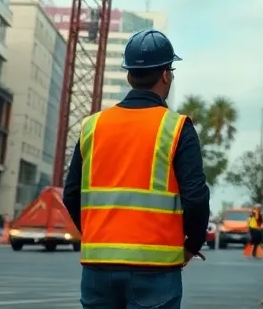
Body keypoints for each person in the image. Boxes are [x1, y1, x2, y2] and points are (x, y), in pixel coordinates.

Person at [62, 29, 210, 309]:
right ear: (166, 75)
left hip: (97, 267)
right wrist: (193, 245)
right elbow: (196, 197)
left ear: (130, 76)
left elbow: (71, 194)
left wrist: (98, 235)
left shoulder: (92, 126)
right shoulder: (177, 128)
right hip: (154, 269)